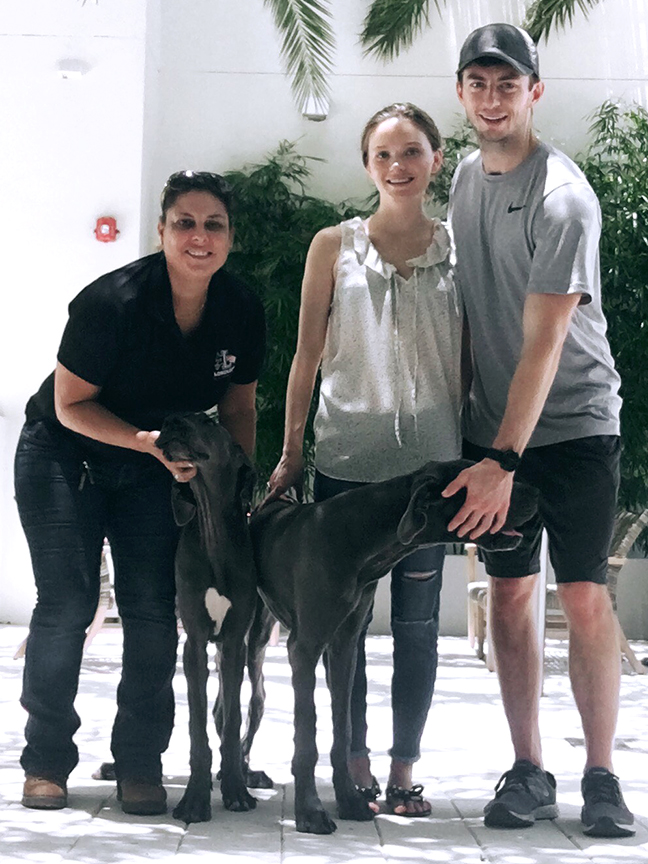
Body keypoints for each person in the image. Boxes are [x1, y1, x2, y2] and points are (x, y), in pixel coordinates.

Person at [14, 171, 265, 815]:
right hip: (65, 455)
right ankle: (46, 760)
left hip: (157, 465)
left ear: (230, 238)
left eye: (213, 224)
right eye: (185, 222)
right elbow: (71, 406)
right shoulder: (111, 302)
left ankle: (140, 762)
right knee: (69, 605)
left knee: (154, 609)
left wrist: (232, 480)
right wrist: (145, 442)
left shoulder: (239, 308)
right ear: (161, 231)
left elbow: (239, 408)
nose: (199, 236)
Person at [446, 23, 634, 838]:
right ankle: (528, 768)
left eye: (507, 85)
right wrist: (470, 437)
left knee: (586, 595)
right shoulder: (460, 177)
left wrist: (503, 460)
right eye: (479, 85)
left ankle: (602, 776)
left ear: (535, 92)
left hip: (576, 424)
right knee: (512, 593)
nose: (493, 100)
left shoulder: (564, 197)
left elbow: (545, 341)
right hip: (496, 433)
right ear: (463, 94)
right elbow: (463, 312)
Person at [265, 103, 462, 816]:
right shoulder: (333, 244)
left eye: (411, 152)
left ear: (436, 159)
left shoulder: (459, 245)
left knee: (415, 622)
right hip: (347, 460)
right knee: (343, 622)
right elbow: (307, 356)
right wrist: (291, 453)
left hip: (431, 471)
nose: (398, 166)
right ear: (368, 165)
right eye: (383, 155)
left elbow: (472, 360)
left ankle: (404, 768)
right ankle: (352, 763)